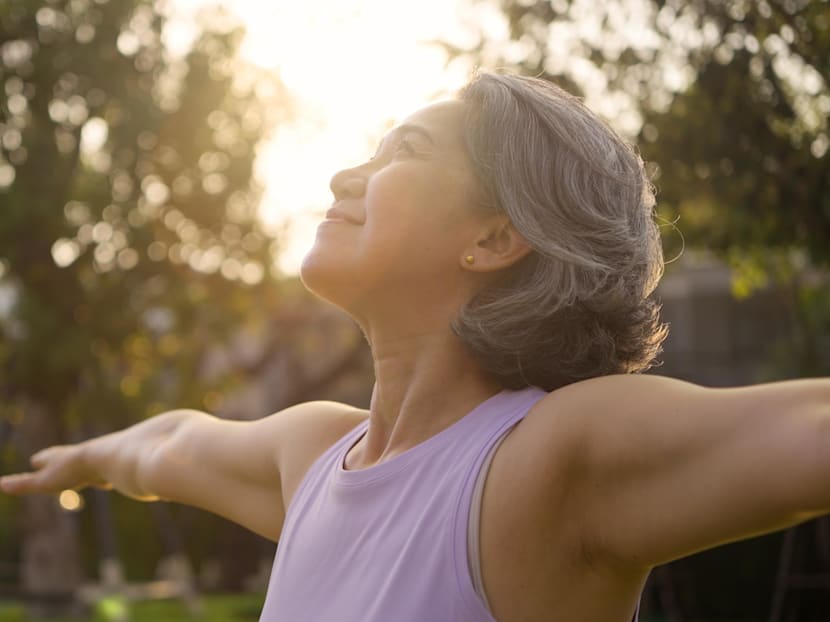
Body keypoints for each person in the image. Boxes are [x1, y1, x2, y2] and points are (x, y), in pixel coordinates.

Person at [1, 72, 829, 622]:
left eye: (405, 151)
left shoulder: (543, 463)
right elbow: (171, 444)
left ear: (494, 237)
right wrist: (84, 460)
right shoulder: (313, 455)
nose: (344, 177)